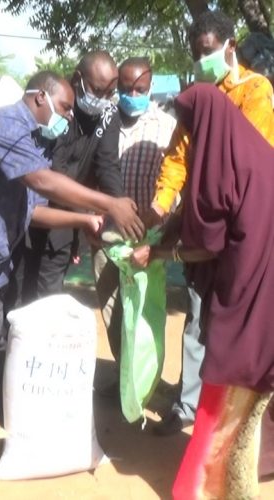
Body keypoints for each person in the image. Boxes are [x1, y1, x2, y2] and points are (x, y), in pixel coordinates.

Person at [0, 70, 144, 417]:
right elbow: (41, 181)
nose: (68, 117)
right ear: (40, 97)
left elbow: (34, 211)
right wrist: (108, 203)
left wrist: (83, 219)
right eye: (65, 108)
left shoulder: (31, 142)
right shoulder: (3, 125)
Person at [131, 83, 274, 500]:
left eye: (190, 123)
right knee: (255, 389)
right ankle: (247, 470)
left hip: (247, 289)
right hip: (266, 285)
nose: (188, 132)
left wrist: (157, 253)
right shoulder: (259, 155)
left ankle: (201, 488)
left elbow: (208, 243)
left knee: (226, 377)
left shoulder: (221, 170)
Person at [146, 11, 274, 436]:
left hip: (245, 226)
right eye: (196, 53)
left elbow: (253, 162)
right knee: (201, 318)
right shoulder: (195, 98)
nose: (202, 60)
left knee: (245, 326)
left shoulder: (255, 92)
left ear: (230, 46)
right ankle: (189, 407)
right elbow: (177, 158)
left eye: (208, 51)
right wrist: (161, 207)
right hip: (204, 220)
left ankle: (241, 422)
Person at [7, 50, 125, 310]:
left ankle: (41, 349)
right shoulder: (57, 110)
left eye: (110, 92)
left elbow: (107, 165)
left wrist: (117, 208)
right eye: (97, 90)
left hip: (63, 224)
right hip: (29, 213)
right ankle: (9, 347)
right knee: (16, 293)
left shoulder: (108, 115)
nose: (103, 99)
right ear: (77, 78)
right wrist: (87, 213)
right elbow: (54, 170)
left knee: (49, 297)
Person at [92, 57, 176, 389]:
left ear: (150, 87)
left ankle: (147, 381)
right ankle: (127, 373)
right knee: (112, 308)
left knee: (145, 310)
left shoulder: (166, 127)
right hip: (108, 233)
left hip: (148, 235)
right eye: (126, 88)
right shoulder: (105, 122)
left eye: (139, 89)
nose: (132, 94)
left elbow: (175, 186)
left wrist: (160, 236)